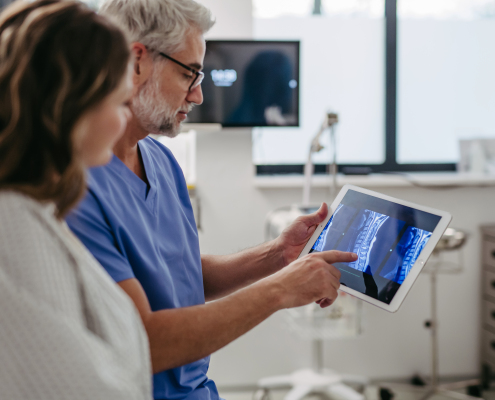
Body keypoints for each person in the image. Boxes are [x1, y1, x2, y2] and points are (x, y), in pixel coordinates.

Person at [65, 1, 357, 400]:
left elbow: (179, 279)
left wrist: (276, 255)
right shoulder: (74, 187)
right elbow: (145, 342)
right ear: (137, 62)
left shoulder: (161, 161)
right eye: (190, 73)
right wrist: (278, 290)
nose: (199, 95)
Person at [0, 1, 152, 399]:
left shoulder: (37, 210)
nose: (126, 118)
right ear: (73, 103)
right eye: (120, 103)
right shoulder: (12, 222)